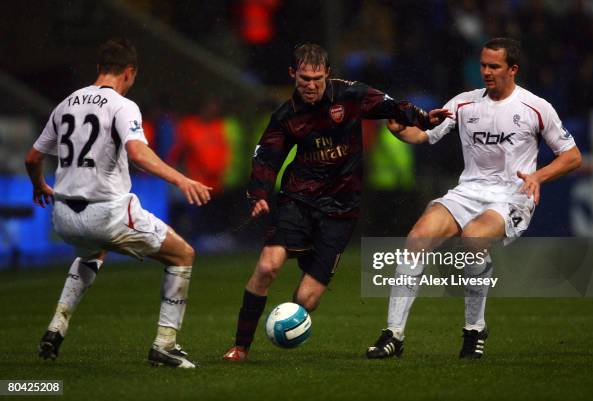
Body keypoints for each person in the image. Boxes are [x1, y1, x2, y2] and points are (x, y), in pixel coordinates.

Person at [222, 43, 450, 361]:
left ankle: (285, 321)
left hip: (341, 210)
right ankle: (240, 346)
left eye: (317, 78)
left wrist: (424, 119)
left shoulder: (351, 95)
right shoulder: (286, 116)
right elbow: (266, 158)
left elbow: (390, 106)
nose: (311, 85)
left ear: (327, 73)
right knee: (267, 266)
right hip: (298, 200)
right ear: (292, 75)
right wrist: (259, 194)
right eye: (304, 79)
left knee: (307, 299)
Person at [366, 37, 582, 360]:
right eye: (483, 65)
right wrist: (399, 130)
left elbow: (573, 156)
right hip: (467, 192)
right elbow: (425, 135)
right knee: (417, 238)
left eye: (494, 66)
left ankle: (474, 328)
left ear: (513, 69)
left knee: (474, 238)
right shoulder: (464, 104)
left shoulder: (536, 108)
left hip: (512, 197)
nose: (486, 72)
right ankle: (393, 334)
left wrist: (538, 176)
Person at [25, 38, 212, 369]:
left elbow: (32, 157)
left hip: (64, 217)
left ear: (99, 69)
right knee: (183, 254)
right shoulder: (123, 106)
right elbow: (138, 153)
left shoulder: (66, 104)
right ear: (130, 72)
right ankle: (165, 346)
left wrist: (40, 184)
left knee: (93, 251)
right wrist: (182, 179)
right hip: (106, 212)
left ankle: (56, 327)